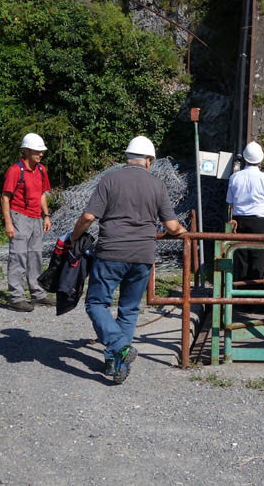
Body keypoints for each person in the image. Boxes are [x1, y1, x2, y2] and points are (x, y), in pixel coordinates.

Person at [70, 136, 188, 384]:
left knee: (96, 303)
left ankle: (117, 346)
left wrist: (75, 236)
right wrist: (182, 233)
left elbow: (89, 216)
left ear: (127, 157)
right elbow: (172, 226)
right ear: (149, 161)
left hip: (111, 253)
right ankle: (117, 361)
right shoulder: (157, 184)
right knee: (129, 309)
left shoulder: (110, 179)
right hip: (143, 255)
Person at [1, 133, 53, 312]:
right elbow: (5, 197)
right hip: (19, 217)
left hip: (36, 218)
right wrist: (8, 223)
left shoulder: (41, 170)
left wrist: (46, 215)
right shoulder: (15, 170)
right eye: (37, 151)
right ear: (27, 151)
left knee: (35, 256)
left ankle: (37, 293)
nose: (41, 154)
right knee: (18, 256)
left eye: (41, 151)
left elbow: (41, 194)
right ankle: (16, 296)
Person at [226, 141, 264, 288]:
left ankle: (239, 295)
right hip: (260, 222)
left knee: (241, 257)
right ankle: (254, 296)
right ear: (260, 160)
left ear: (245, 158)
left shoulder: (234, 178)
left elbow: (230, 203)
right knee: (258, 259)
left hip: (239, 221)